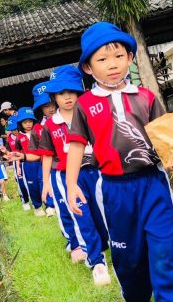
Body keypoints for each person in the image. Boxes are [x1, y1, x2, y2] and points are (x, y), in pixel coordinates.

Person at [66, 22, 173, 301]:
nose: (112, 64)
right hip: (115, 191)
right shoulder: (85, 105)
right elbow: (76, 145)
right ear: (88, 67)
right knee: (129, 259)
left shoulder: (146, 97)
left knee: (166, 248)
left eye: (118, 56)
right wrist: (71, 185)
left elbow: (166, 139)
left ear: (130, 58)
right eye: (102, 59)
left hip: (153, 184)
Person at [38, 65, 111, 286]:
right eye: (61, 93)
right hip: (68, 177)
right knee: (82, 217)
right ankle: (97, 261)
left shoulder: (91, 113)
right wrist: (46, 183)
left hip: (96, 172)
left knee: (105, 213)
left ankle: (113, 249)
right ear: (53, 97)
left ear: (80, 91)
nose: (67, 97)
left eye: (71, 91)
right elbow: (47, 156)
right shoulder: (50, 126)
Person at [14, 107, 55, 217]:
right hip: (28, 164)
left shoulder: (40, 130)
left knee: (44, 182)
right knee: (33, 185)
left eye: (30, 121)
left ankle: (50, 206)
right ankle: (37, 207)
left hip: (41, 162)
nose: (28, 124)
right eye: (25, 122)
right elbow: (17, 153)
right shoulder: (19, 137)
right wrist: (18, 167)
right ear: (20, 123)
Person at [6, 116, 31, 210]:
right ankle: (25, 201)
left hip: (29, 160)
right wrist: (7, 153)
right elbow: (8, 152)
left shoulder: (25, 134)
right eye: (12, 130)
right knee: (21, 182)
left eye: (16, 129)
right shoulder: (9, 139)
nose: (15, 131)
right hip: (17, 163)